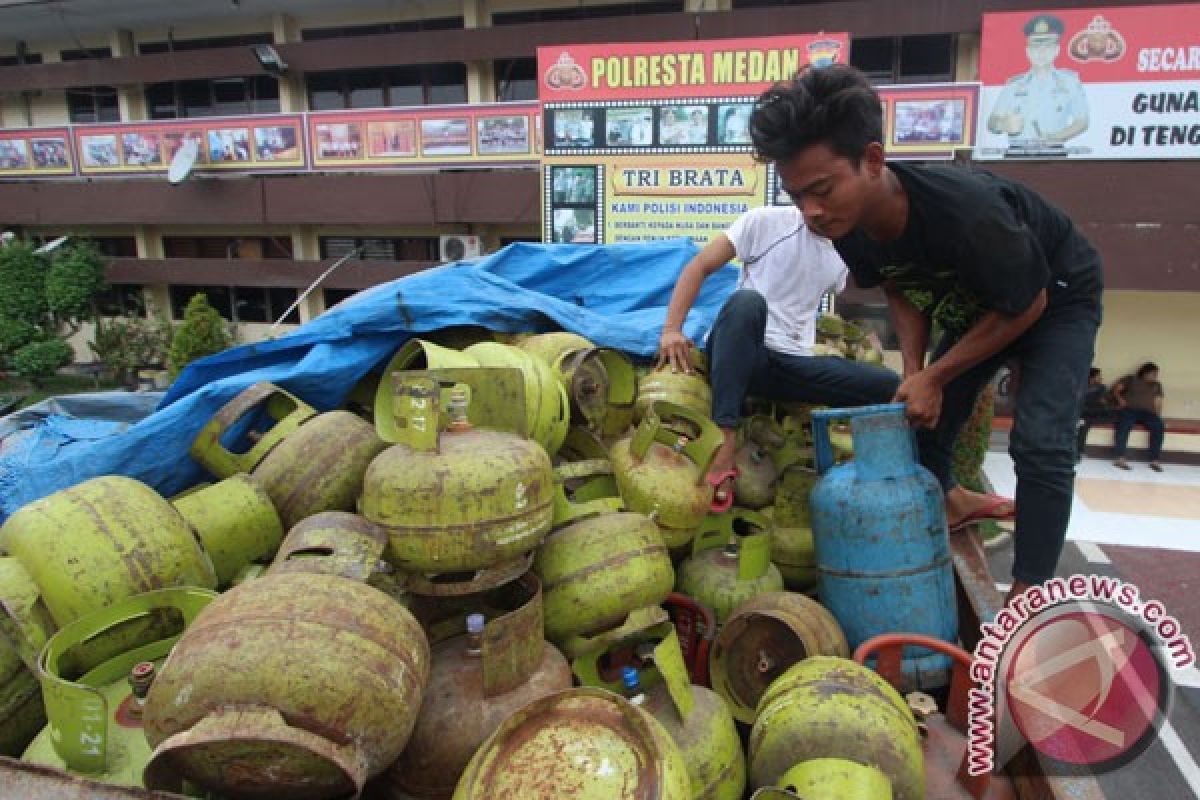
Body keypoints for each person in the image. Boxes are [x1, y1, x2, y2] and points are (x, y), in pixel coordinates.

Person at [749, 65, 1103, 604]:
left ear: (872, 160)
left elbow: (1029, 302)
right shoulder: (847, 224)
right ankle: (951, 502)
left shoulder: (966, 212)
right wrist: (917, 375)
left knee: (1042, 438)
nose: (810, 212)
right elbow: (900, 285)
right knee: (919, 422)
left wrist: (939, 372)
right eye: (798, 197)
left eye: (821, 190)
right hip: (977, 301)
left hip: (1052, 292)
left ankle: (1030, 593)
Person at [658, 204, 900, 512]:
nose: (818, 209)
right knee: (747, 302)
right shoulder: (764, 222)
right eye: (809, 196)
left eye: (828, 196)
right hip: (741, 351)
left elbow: (888, 285)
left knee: (888, 383)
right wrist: (671, 330)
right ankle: (724, 438)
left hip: (790, 366)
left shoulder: (845, 250)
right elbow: (699, 266)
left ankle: (877, 470)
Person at [986, 14, 1089, 147]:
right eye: (1036, 47)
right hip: (1016, 155)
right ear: (1028, 51)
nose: (1041, 53)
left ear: (1056, 50)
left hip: (1054, 153)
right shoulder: (1014, 85)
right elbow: (992, 121)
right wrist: (1002, 124)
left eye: (1047, 47)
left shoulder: (1070, 82)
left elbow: (1082, 121)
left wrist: (1056, 137)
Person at [1111, 362, 1166, 472]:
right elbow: (1116, 389)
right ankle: (1119, 458)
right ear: (1145, 373)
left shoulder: (1157, 385)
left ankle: (1154, 460)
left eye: (1156, 374)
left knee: (1159, 426)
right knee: (1124, 425)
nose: (1156, 376)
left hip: (1148, 413)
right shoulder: (1131, 379)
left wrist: (1158, 416)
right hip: (1130, 410)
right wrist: (1120, 399)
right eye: (1153, 374)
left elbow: (1158, 401)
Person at [1076, 367, 1114, 462]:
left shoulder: (1102, 388)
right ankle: (1079, 452)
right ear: (1091, 378)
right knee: (1084, 424)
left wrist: (1103, 402)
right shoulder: (1081, 387)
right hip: (1084, 412)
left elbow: (1103, 402)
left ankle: (1083, 421)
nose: (1101, 378)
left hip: (1096, 412)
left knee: (1111, 415)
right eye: (1098, 376)